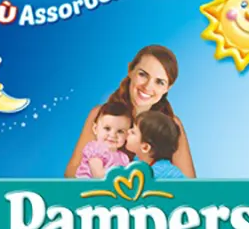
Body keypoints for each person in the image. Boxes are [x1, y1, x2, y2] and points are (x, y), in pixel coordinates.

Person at [65, 45, 196, 177]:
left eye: (160, 82)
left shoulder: (171, 124)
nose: (148, 86)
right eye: (143, 74)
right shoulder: (101, 115)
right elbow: (71, 174)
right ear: (130, 70)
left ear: (168, 87)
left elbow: (189, 184)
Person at [74, 102, 132, 178]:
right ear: (95, 129)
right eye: (107, 128)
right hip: (87, 184)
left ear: (127, 135)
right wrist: (121, 173)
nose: (113, 135)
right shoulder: (96, 149)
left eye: (120, 131)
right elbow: (98, 175)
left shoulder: (123, 158)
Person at [125, 112, 184, 178]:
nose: (128, 131)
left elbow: (185, 184)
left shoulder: (168, 172)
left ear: (145, 147)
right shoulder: (137, 161)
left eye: (133, 132)